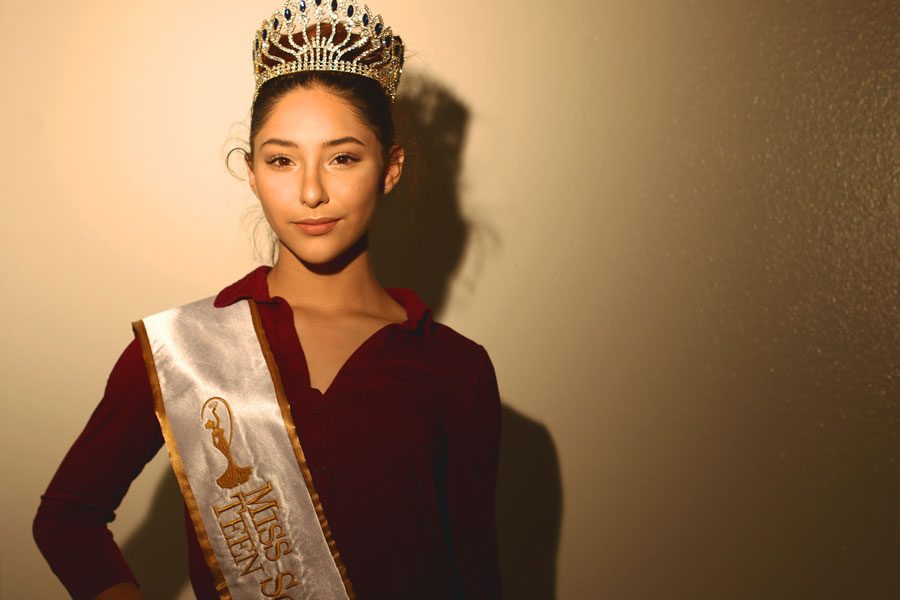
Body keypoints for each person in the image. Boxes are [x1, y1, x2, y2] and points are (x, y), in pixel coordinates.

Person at [32, 1, 503, 599]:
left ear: (390, 168)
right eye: (282, 160)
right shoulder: (186, 349)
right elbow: (67, 515)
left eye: (343, 157)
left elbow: (476, 575)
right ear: (251, 172)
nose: (310, 191)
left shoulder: (455, 367)